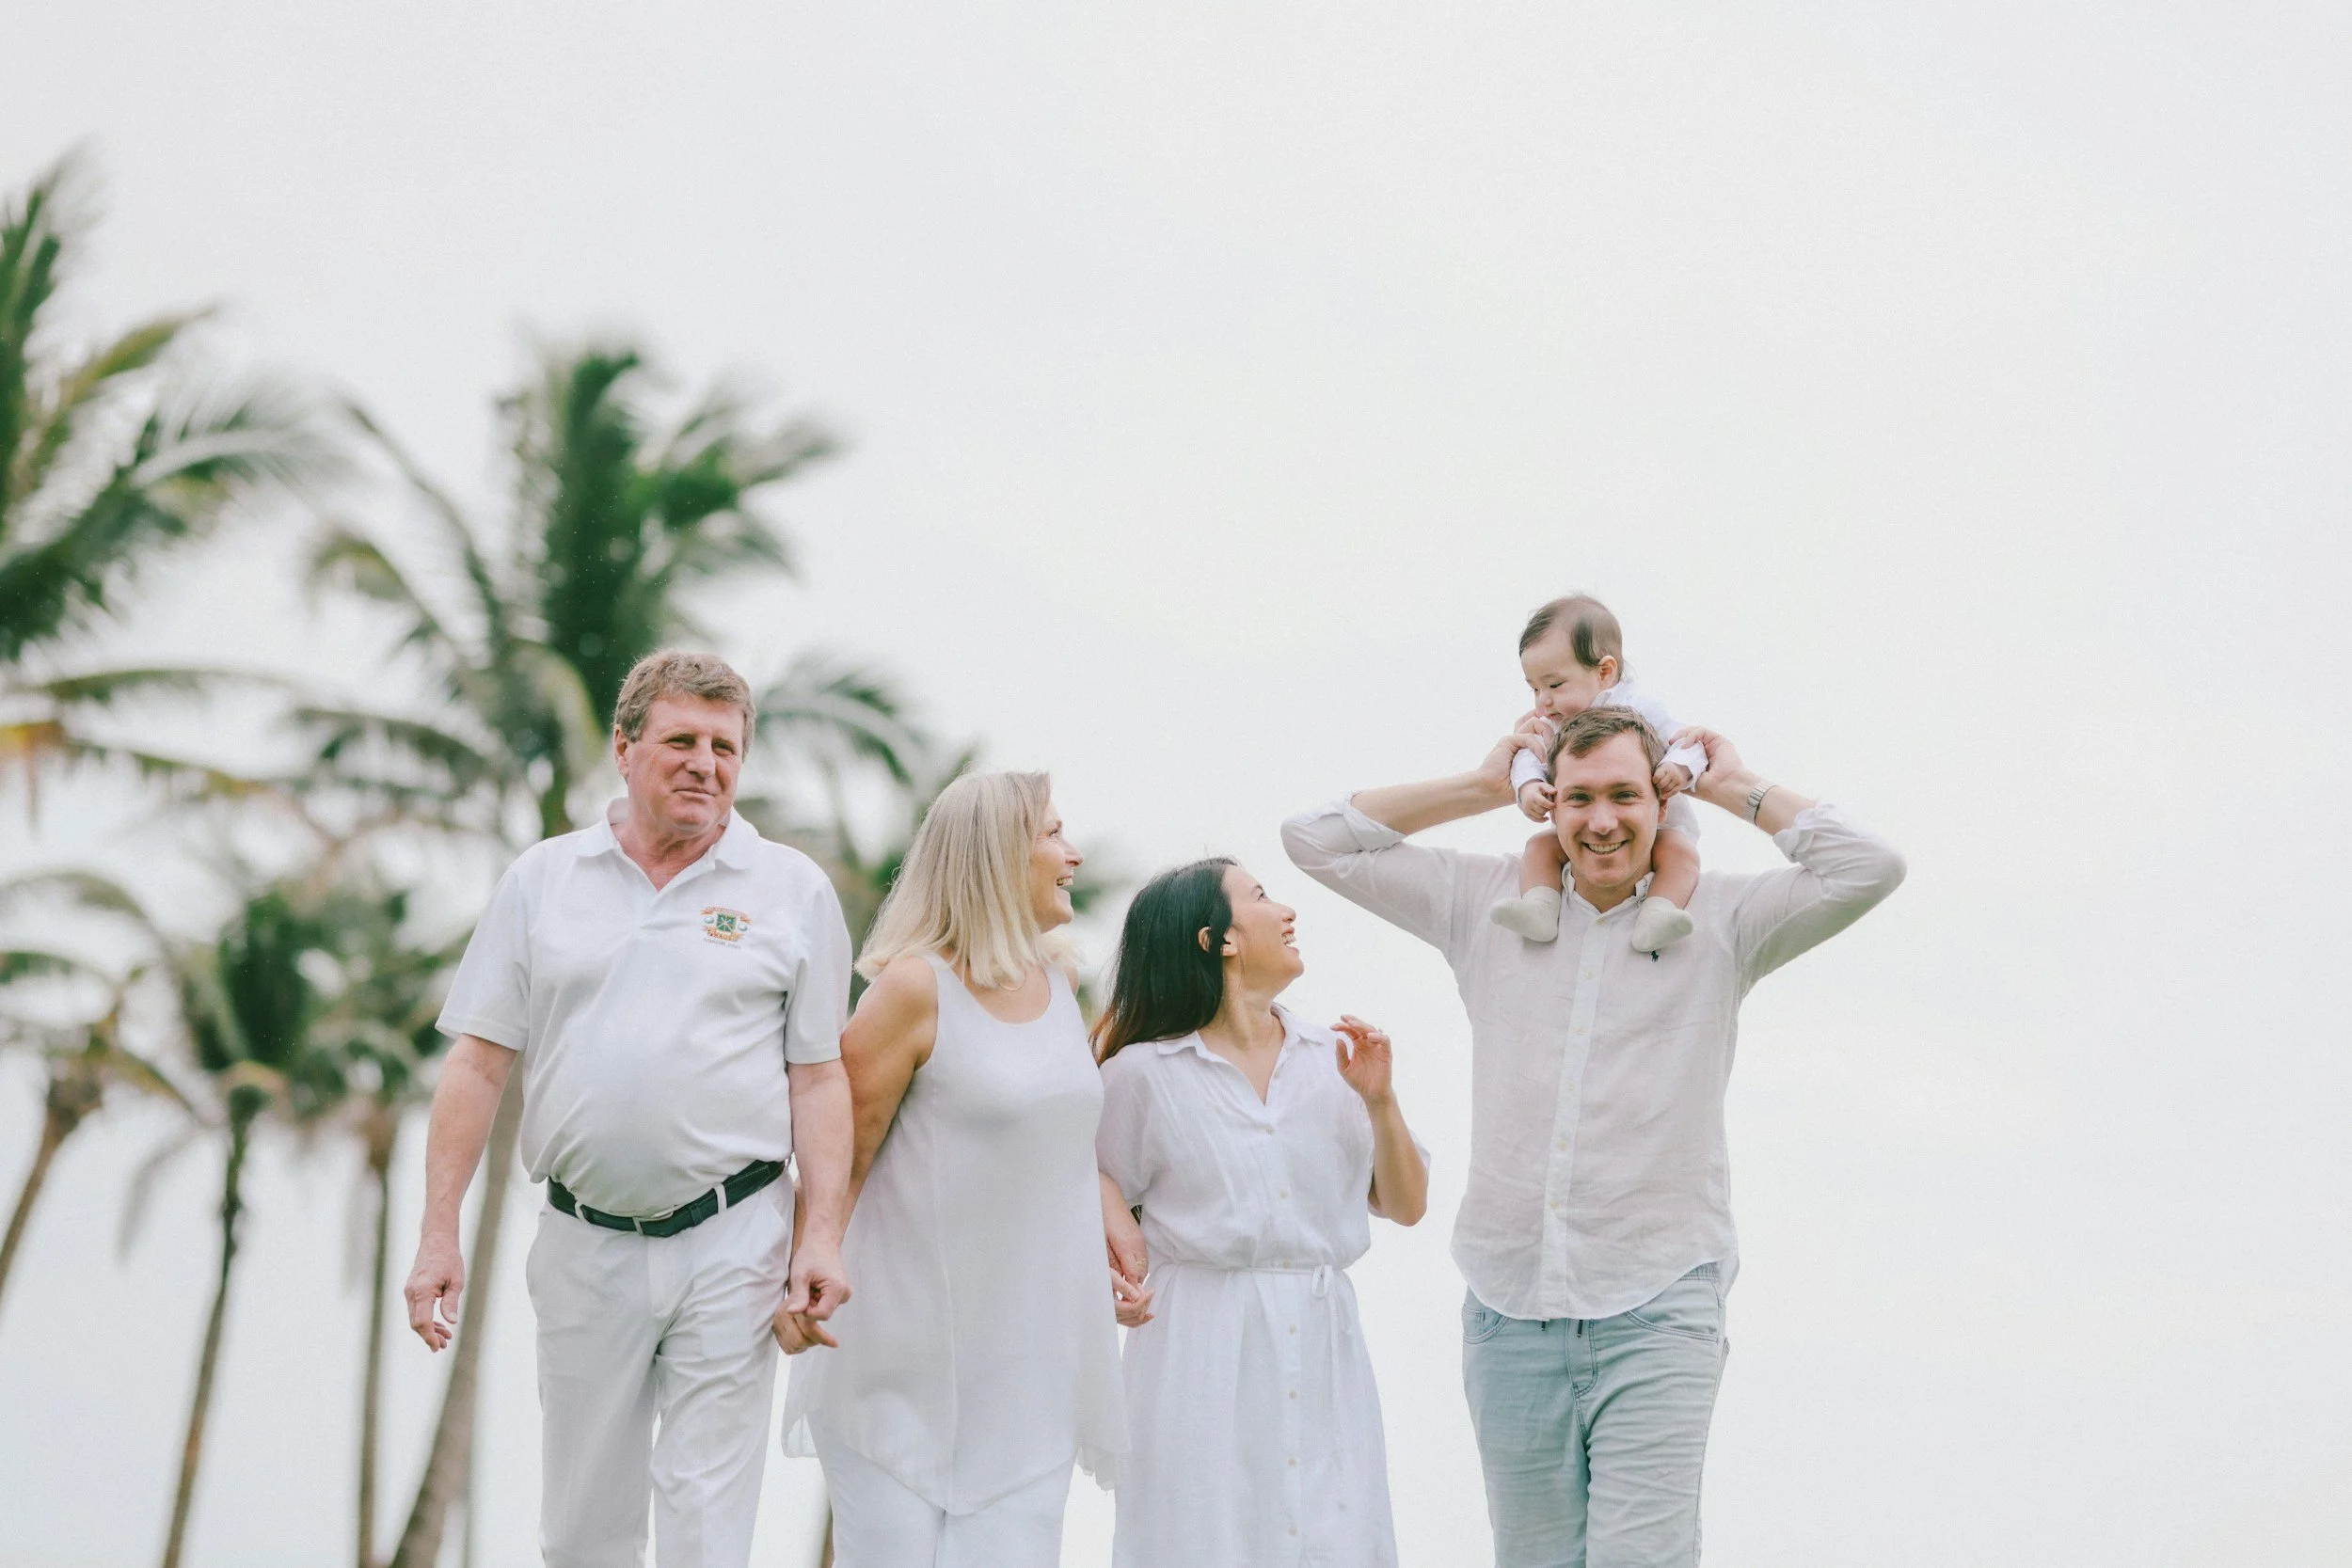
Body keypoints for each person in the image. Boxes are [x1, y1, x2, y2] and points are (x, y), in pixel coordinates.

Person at [1284, 705, 1904, 1566]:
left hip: (1658, 1304)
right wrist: (1480, 780)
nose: (1602, 820)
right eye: (1578, 798)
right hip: (1509, 1309)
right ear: (1551, 804)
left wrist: (1731, 784)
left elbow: (1869, 867)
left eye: (1624, 794)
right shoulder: (1485, 901)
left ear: (1660, 799)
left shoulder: (1725, 919)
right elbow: (1315, 839)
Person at [403, 650, 855, 1568]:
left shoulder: (792, 891)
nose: (705, 762)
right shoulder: (542, 879)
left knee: (703, 1520)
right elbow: (479, 1062)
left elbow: (819, 1079)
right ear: (623, 745)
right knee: (581, 1528)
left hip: (735, 1233)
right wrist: (438, 1230)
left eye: (725, 747)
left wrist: (821, 1235)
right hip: (582, 1236)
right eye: (681, 739)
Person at [779, 770, 1127, 1568]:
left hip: (1030, 1368)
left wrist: (1109, 1240)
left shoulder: (1062, 981)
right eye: (1052, 834)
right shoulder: (913, 987)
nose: (1071, 854)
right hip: (902, 1367)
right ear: (996, 854)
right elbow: (844, 1154)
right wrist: (804, 1267)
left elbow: (1061, 1145)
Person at [1093, 856, 1430, 1568]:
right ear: (1218, 939)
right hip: (1197, 1341)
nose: (1286, 910)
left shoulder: (1334, 1057)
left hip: (1322, 1339)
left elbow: (1406, 1204)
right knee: (1199, 1536)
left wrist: (1381, 1098)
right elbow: (1074, 1177)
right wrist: (1111, 1239)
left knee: (1333, 1536)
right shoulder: (1142, 1075)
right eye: (1260, 896)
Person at [1487, 594, 1711, 953]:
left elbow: (1692, 742)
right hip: (1585, 838)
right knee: (1540, 846)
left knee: (1681, 854)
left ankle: (1659, 913)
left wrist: (1678, 767)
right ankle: (1540, 908)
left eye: (1555, 685)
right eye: (1534, 688)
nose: (1543, 700)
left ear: (1604, 672)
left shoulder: (1640, 709)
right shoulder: (1550, 723)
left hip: (1659, 829)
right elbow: (1527, 757)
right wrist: (1528, 786)